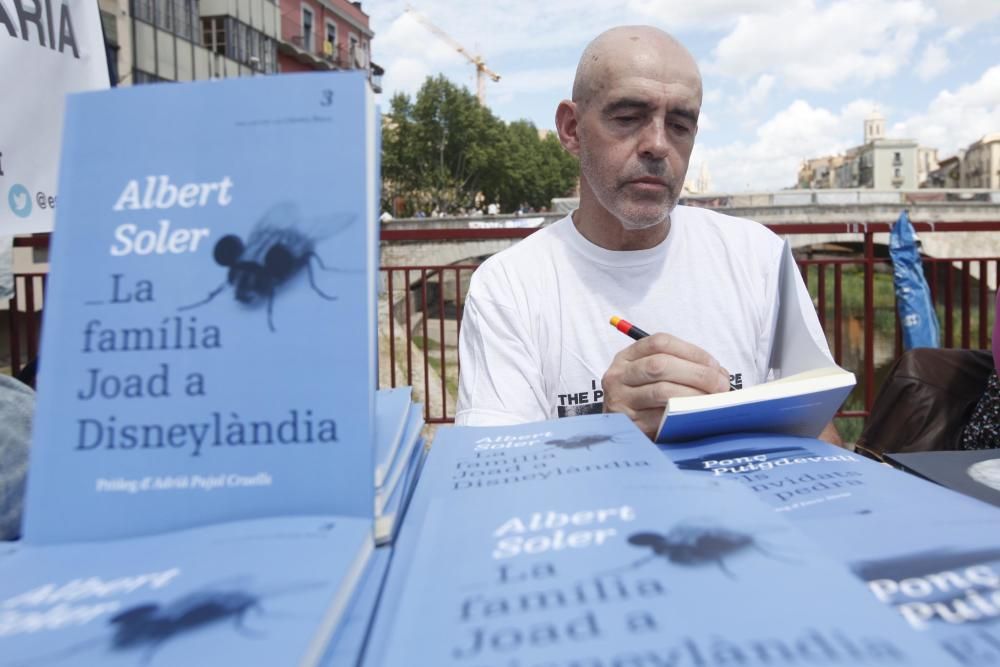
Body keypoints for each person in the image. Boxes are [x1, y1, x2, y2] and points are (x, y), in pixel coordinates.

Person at [455, 25, 841, 445]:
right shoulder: (508, 287)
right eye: (627, 118)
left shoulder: (759, 256)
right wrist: (605, 433)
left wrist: (730, 415)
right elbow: (493, 482)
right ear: (571, 129)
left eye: (679, 124)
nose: (657, 144)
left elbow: (826, 441)